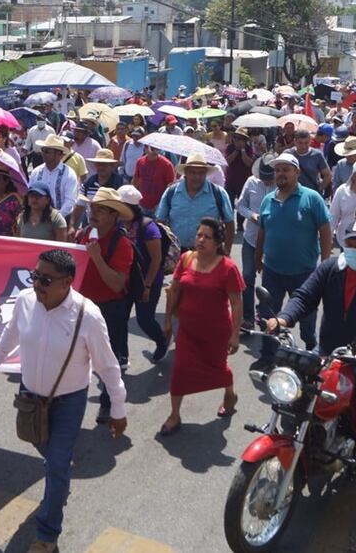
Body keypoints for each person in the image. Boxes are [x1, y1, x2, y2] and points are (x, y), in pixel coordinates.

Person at [0, 249, 127, 552]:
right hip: (30, 397)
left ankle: (47, 535)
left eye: (45, 279)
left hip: (68, 401)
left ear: (67, 282)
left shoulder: (88, 316)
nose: (37, 284)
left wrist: (118, 408)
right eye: (35, 276)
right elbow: (12, 333)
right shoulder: (25, 301)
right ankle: (60, 468)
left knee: (57, 463)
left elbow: (108, 366)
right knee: (45, 449)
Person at [264, 218, 356, 501]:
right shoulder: (331, 268)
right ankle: (306, 448)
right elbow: (305, 296)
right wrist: (283, 318)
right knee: (296, 400)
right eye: (349, 242)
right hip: (330, 354)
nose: (352, 248)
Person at [158, 218, 244, 435]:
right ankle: (174, 415)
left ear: (217, 243)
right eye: (199, 235)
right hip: (187, 330)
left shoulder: (228, 268)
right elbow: (174, 290)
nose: (201, 240)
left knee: (218, 369)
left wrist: (235, 335)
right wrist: (167, 320)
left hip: (216, 333)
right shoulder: (186, 259)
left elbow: (236, 303)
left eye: (207, 237)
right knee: (180, 370)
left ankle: (230, 394)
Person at [255, 153, 332, 350]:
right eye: (278, 170)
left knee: (306, 317)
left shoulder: (312, 198)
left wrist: (325, 262)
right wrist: (258, 258)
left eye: (286, 170)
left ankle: (310, 349)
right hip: (272, 271)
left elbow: (325, 230)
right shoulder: (267, 200)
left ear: (297, 172)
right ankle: (268, 354)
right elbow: (262, 232)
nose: (281, 174)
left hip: (305, 273)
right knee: (268, 315)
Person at [75, 187, 135, 424]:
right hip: (82, 306)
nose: (94, 213)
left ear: (113, 215)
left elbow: (116, 284)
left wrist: (97, 257)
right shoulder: (84, 234)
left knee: (109, 362)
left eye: (101, 210)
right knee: (78, 357)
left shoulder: (122, 244)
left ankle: (109, 404)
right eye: (93, 208)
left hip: (110, 309)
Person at [117, 185, 171, 362]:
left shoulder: (148, 228)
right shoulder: (118, 225)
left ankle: (161, 340)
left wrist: (147, 286)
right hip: (124, 281)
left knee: (144, 320)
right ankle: (121, 356)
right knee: (119, 319)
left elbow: (156, 260)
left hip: (147, 280)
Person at [154, 152, 233, 253]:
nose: (197, 177)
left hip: (208, 253)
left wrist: (226, 253)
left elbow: (229, 223)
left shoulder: (218, 193)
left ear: (206, 173)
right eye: (193, 172)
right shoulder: (171, 192)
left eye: (201, 173)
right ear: (185, 173)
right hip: (176, 252)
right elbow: (160, 222)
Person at [236, 154, 274, 331]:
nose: (267, 182)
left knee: (269, 281)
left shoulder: (282, 185)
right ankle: (248, 317)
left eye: (270, 178)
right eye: (264, 178)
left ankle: (266, 315)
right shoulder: (251, 182)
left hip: (273, 241)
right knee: (248, 277)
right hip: (251, 238)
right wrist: (252, 215)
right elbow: (241, 205)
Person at [69, 148, 124, 234]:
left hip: (112, 230)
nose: (100, 167)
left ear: (112, 166)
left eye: (104, 164)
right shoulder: (89, 182)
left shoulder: (120, 184)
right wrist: (71, 225)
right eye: (98, 164)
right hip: (90, 225)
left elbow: (122, 211)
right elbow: (79, 206)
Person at [28, 135, 79, 218]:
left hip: (61, 219)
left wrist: (56, 218)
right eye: (43, 150)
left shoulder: (69, 174)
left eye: (47, 151)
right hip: (37, 218)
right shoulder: (36, 172)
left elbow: (70, 201)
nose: (43, 154)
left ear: (58, 154)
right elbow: (30, 195)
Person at [132, 145, 177, 216]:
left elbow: (171, 187)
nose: (155, 150)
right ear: (145, 149)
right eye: (152, 148)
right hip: (142, 204)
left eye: (157, 148)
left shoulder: (167, 165)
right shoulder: (140, 162)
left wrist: (162, 205)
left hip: (158, 207)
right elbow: (135, 180)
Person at [284, 129, 332, 194]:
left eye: (306, 143)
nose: (303, 146)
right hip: (291, 194)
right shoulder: (288, 154)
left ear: (310, 141)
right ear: (295, 142)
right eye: (300, 143)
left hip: (311, 194)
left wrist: (319, 189)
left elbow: (328, 175)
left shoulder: (317, 155)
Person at [224, 128, 256, 208]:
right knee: (229, 206)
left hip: (243, 182)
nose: (237, 140)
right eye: (236, 138)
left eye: (240, 139)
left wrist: (242, 150)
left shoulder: (249, 149)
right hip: (230, 182)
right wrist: (236, 151)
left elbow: (248, 163)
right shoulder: (230, 147)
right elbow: (227, 161)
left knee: (243, 208)